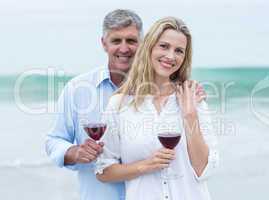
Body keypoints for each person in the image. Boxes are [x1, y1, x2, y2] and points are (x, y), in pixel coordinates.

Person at [45, 10, 206, 200]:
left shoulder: (174, 93)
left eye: (131, 41)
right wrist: (74, 152)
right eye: (116, 41)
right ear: (104, 43)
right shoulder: (77, 89)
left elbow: (198, 163)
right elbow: (54, 140)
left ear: (144, 43)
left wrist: (190, 110)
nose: (124, 49)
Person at [95, 17, 219, 200]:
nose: (170, 56)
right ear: (149, 47)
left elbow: (204, 170)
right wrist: (145, 165)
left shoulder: (194, 99)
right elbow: (103, 171)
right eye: (164, 46)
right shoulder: (120, 105)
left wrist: (190, 115)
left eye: (179, 51)